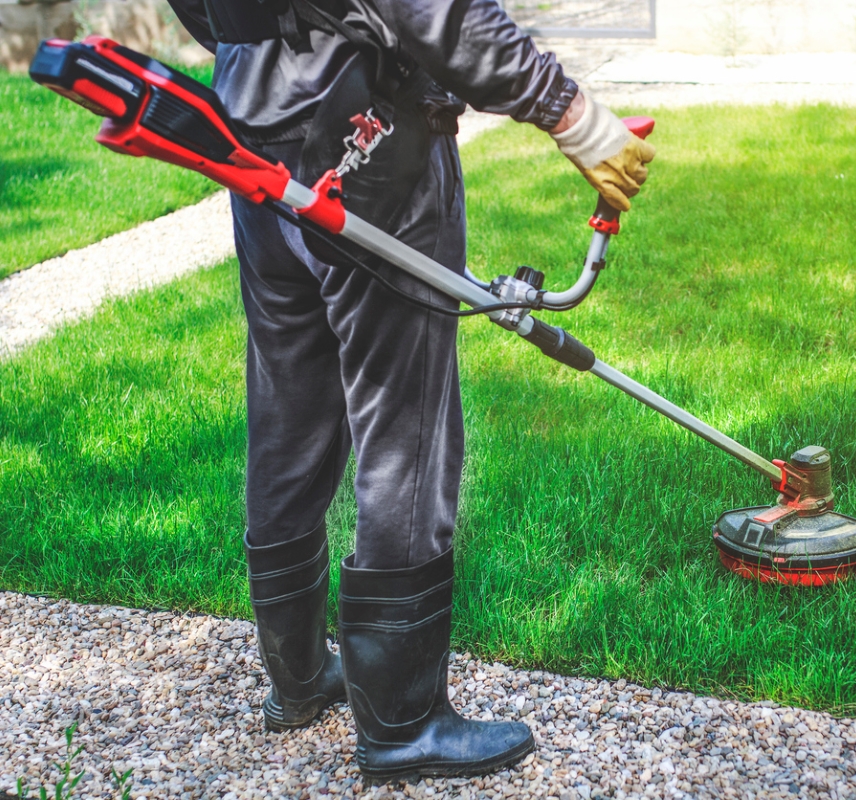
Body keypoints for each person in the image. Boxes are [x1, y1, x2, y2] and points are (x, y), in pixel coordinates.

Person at [164, 0, 655, 786]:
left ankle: (296, 682)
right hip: (368, 136)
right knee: (404, 425)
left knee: (288, 410)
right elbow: (435, 9)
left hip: (254, 123)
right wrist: (572, 113)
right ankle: (402, 725)